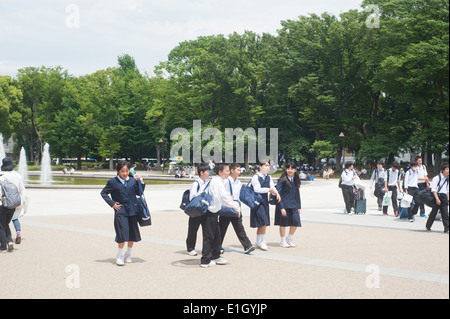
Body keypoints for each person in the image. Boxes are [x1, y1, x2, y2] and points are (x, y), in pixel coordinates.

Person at [100, 160, 145, 266]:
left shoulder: (132, 181)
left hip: (132, 211)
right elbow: (103, 193)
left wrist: (141, 182)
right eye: (122, 171)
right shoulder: (113, 182)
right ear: (118, 171)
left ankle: (128, 254)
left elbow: (139, 193)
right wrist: (112, 204)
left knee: (132, 234)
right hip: (121, 211)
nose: (124, 173)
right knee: (122, 233)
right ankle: (119, 255)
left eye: (126, 171)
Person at [201, 163, 240, 268]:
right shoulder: (217, 182)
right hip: (210, 212)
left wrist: (230, 200)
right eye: (227, 171)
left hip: (214, 212)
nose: (228, 173)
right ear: (220, 172)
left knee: (217, 234)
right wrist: (235, 206)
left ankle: (215, 255)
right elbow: (223, 198)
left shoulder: (218, 181)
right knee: (209, 236)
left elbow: (222, 197)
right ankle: (205, 260)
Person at [219, 163, 255, 255]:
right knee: (222, 228)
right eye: (238, 170)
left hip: (235, 208)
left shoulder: (238, 182)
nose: (239, 172)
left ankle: (247, 245)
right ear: (232, 170)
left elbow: (238, 197)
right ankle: (217, 246)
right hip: (227, 208)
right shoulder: (226, 181)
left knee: (239, 227)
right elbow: (222, 194)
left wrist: (238, 208)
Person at [250, 161, 280, 251]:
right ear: (260, 166)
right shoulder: (255, 177)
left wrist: (276, 192)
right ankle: (262, 241)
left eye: (268, 166)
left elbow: (272, 187)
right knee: (263, 222)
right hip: (257, 202)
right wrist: (270, 190)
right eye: (265, 166)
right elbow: (257, 189)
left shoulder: (268, 177)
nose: (267, 168)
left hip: (265, 202)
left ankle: (258, 241)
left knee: (263, 223)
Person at [0, 157, 26, 253]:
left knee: (1, 225)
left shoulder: (1, 176)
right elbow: (22, 189)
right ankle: (9, 241)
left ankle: (3, 247)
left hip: (3, 203)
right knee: (6, 223)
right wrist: (21, 200)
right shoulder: (17, 175)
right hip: (14, 203)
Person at [186, 162, 210, 256]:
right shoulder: (196, 184)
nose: (208, 173)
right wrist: (202, 194)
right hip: (196, 210)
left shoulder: (207, 183)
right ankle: (190, 248)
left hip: (204, 209)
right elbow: (192, 197)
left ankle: (206, 248)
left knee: (206, 230)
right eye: (207, 171)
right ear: (201, 173)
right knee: (193, 229)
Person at [275, 162, 301, 248]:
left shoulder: (296, 179)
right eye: (288, 168)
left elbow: (297, 194)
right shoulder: (282, 180)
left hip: (293, 205)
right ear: (286, 169)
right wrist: (281, 207)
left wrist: (299, 206)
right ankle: (282, 241)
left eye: (292, 169)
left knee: (296, 222)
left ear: (295, 170)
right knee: (283, 223)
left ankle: (289, 238)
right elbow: (277, 194)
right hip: (284, 205)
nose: (290, 170)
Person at [426, 163, 449, 234]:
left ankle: (446, 229)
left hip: (444, 196)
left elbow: (448, 190)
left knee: (445, 213)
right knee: (434, 212)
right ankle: (428, 226)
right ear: (443, 170)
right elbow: (434, 190)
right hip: (437, 196)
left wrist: (448, 199)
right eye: (447, 169)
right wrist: (437, 199)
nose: (448, 171)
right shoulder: (436, 178)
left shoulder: (448, 179)